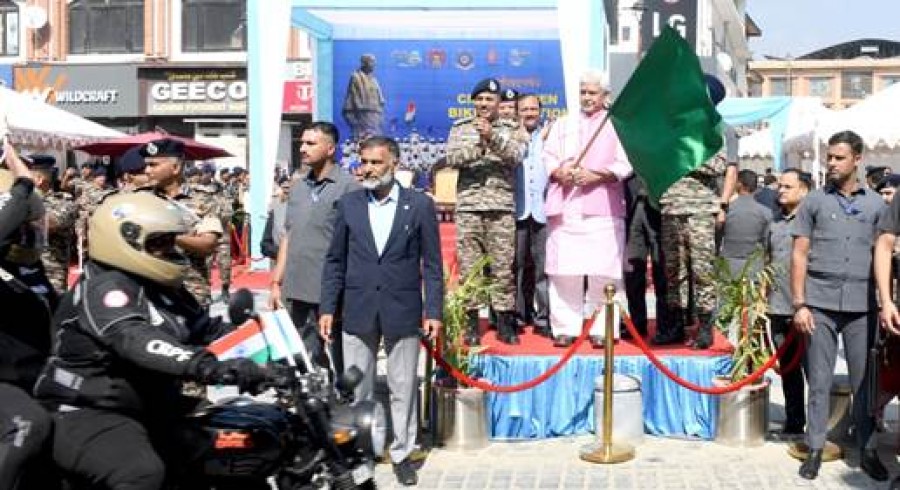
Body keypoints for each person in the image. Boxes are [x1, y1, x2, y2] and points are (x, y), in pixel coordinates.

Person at [34, 191, 268, 489]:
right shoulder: (105, 288)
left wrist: (269, 344)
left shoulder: (162, 287)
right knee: (141, 473)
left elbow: (206, 329)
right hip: (87, 408)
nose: (170, 250)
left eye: (171, 241)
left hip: (148, 404)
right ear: (125, 240)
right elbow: (135, 338)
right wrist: (206, 366)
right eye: (159, 243)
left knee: (236, 441)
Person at [319, 136, 442, 487]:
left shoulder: (419, 205)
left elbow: (432, 264)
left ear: (394, 164)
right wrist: (328, 307)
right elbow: (335, 260)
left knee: (404, 386)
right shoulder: (349, 204)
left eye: (376, 162)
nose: (368, 169)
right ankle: (363, 459)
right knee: (360, 390)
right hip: (357, 309)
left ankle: (402, 453)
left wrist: (433, 310)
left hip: (402, 307)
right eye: (365, 162)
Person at [792, 130, 887, 481]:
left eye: (839, 157)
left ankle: (868, 449)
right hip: (820, 304)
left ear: (857, 159)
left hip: (863, 306)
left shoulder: (877, 205)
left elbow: (885, 253)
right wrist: (800, 304)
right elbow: (799, 254)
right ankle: (815, 448)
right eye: (829, 157)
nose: (831, 163)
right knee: (819, 380)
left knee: (866, 383)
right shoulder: (814, 202)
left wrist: (886, 302)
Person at [542, 70, 632, 348]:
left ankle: (603, 329)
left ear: (605, 96)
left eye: (592, 93)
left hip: (602, 208)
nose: (587, 97)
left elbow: (626, 163)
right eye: (583, 92)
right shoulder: (563, 124)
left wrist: (597, 176)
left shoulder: (616, 124)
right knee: (564, 273)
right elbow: (548, 156)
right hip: (566, 208)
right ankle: (565, 328)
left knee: (603, 273)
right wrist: (559, 172)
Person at [654, 74, 737, 349]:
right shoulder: (673, 127)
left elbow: (719, 166)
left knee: (702, 270)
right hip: (671, 206)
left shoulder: (714, 129)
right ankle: (676, 324)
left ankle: (705, 326)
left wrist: (685, 153)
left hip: (700, 208)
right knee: (674, 271)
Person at [269, 122, 360, 368]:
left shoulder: (349, 187)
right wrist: (277, 282)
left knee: (340, 355)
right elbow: (288, 235)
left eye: (311, 143)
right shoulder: (298, 187)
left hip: (330, 289)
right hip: (295, 287)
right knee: (301, 355)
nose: (302, 148)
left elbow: (355, 242)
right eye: (302, 143)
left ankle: (341, 387)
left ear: (330, 149)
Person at [445, 78, 526, 345]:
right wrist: (479, 147)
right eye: (479, 99)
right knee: (470, 268)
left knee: (503, 267)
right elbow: (452, 159)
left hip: (500, 207)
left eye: (489, 99)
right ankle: (470, 325)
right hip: (469, 207)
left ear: (498, 103)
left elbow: (515, 156)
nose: (483, 104)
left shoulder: (511, 128)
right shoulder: (461, 128)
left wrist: (492, 137)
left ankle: (505, 323)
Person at [0, 143, 56, 490]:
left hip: (33, 377)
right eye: (21, 227)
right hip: (4, 382)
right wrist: (21, 188)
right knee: (27, 425)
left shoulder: (31, 270)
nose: (30, 235)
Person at [142, 138, 223, 309]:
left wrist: (172, 239)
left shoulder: (203, 199)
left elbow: (208, 244)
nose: (147, 171)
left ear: (176, 168)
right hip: (149, 292)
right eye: (146, 165)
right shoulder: (141, 199)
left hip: (190, 294)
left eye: (153, 165)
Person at [766, 168, 810, 438]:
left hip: (807, 309)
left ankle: (819, 428)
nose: (780, 191)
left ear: (803, 190)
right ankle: (794, 422)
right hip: (778, 306)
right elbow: (767, 260)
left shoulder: (813, 222)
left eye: (787, 187)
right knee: (788, 369)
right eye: (779, 186)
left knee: (814, 370)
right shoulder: (773, 223)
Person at [514, 93, 551, 336]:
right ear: (517, 112)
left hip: (543, 209)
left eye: (533, 109)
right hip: (517, 209)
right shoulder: (509, 136)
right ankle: (518, 315)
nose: (529, 113)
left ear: (540, 111)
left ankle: (543, 318)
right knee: (516, 266)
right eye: (524, 109)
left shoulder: (551, 135)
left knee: (543, 267)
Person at [623, 175, 667, 338]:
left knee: (661, 268)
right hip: (634, 202)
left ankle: (665, 325)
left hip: (661, 203)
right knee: (633, 268)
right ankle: (637, 323)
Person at [29, 154, 79, 294]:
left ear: (39, 179)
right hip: (20, 276)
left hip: (50, 279)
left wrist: (22, 200)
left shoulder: (63, 201)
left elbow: (46, 225)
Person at [719, 169, 772, 275]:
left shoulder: (726, 210)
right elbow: (767, 242)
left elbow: (717, 235)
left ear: (739, 184)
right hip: (754, 267)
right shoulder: (765, 212)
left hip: (728, 266)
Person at [342, 54, 386, 141]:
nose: (374, 64)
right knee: (365, 136)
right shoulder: (356, 76)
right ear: (364, 63)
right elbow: (354, 96)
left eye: (374, 62)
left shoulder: (373, 79)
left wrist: (380, 105)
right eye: (371, 62)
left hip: (374, 111)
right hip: (363, 112)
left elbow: (379, 96)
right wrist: (360, 111)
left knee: (376, 136)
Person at [260, 176, 293, 260]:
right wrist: (281, 253)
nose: (287, 190)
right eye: (285, 188)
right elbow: (265, 244)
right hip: (281, 262)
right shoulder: (276, 210)